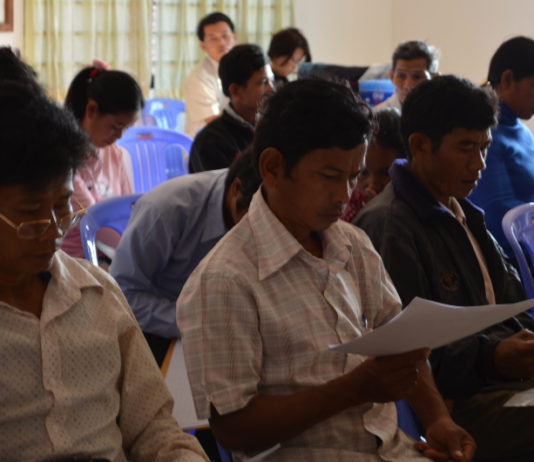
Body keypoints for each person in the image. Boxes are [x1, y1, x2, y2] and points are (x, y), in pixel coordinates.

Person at [177, 79, 475, 461]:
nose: (345, 195)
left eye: (354, 176)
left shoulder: (352, 244)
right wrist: (352, 390)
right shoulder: (225, 279)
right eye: (330, 176)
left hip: (392, 451)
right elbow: (233, 428)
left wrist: (437, 420)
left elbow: (403, 345)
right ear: (272, 167)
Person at [0, 81, 208, 462]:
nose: (54, 231)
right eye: (30, 214)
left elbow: (154, 427)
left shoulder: (97, 293)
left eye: (63, 207)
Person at [355, 75, 534, 461]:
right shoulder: (390, 226)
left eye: (484, 147)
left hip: (506, 383)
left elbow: (512, 304)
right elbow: (407, 352)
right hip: (459, 406)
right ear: (420, 145)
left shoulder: (462, 210)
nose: (479, 164)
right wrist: (492, 357)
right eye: (466, 148)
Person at [109, 149, 261, 364]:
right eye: (262, 219)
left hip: (222, 319)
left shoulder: (272, 208)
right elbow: (122, 294)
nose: (267, 233)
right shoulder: (166, 211)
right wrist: (195, 322)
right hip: (159, 325)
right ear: (237, 190)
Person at [61, 60, 143, 261]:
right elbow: (95, 224)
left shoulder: (113, 153)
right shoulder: (64, 161)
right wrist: (141, 249)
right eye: (115, 127)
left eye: (125, 128)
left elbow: (128, 209)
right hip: (76, 261)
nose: (119, 136)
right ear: (91, 110)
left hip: (109, 255)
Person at [469, 36, 534, 257]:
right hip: (514, 260)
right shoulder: (486, 136)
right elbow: (499, 218)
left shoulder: (521, 131)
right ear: (507, 80)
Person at [188, 44, 274, 174]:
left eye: (272, 81)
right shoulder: (210, 142)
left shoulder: (272, 128)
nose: (272, 89)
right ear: (236, 91)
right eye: (263, 82)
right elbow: (227, 187)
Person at [341, 108, 405, 222]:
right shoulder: (345, 204)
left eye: (386, 173)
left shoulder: (404, 214)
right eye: (362, 173)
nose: (372, 186)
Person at [183, 12, 237, 137]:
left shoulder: (242, 68)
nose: (221, 42)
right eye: (213, 38)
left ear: (234, 38)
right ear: (203, 46)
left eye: (225, 35)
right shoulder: (198, 78)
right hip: (208, 142)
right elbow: (215, 122)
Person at [375, 40, 439, 111]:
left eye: (417, 77)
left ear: (434, 79)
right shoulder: (377, 115)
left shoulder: (444, 113)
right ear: (392, 77)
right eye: (401, 76)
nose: (408, 85)